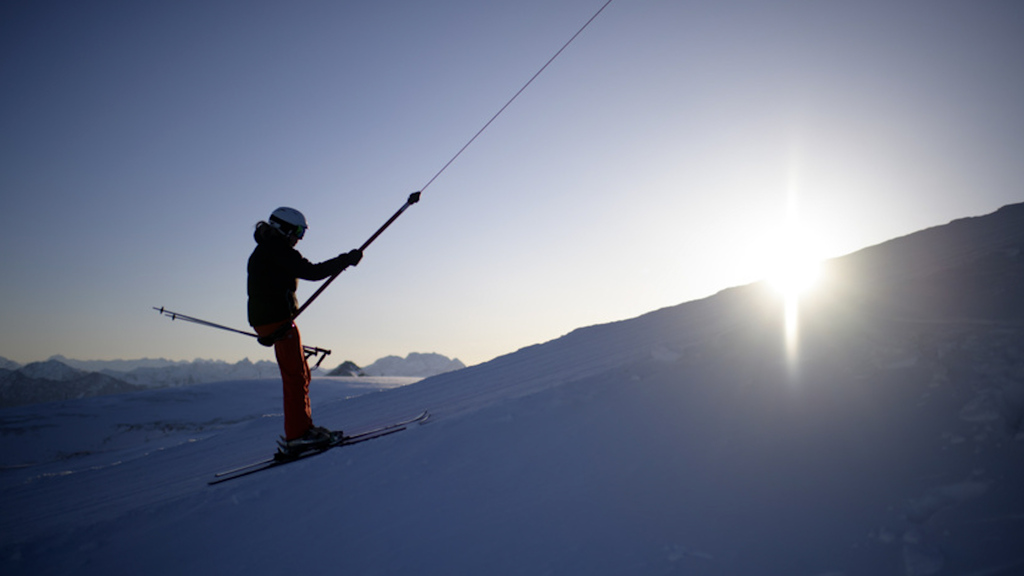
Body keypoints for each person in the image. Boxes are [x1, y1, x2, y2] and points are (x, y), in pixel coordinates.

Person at [247, 206, 362, 457]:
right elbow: (312, 271)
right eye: (298, 231)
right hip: (279, 322)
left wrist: (265, 330)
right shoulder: (277, 249)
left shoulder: (266, 249)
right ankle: (298, 436)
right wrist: (346, 260)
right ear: (284, 229)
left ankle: (303, 429)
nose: (299, 238)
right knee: (295, 378)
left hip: (272, 322)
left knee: (301, 375)